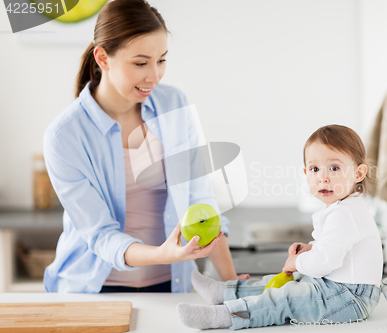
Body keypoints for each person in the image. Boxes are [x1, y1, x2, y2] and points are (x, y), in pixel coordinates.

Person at [43, 0, 247, 293]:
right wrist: (161, 254)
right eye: (140, 63)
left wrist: (230, 282)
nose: (154, 76)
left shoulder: (174, 104)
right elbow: (100, 234)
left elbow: (200, 200)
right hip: (95, 290)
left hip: (172, 283)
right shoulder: (64, 136)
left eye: (161, 60)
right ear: (102, 58)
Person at [177, 124, 384, 330]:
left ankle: (224, 316)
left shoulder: (344, 213)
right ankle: (223, 292)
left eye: (334, 168)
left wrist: (297, 261)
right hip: (338, 289)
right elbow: (333, 248)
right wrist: (310, 248)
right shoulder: (344, 207)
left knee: (285, 297)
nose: (323, 177)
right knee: (277, 283)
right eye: (314, 169)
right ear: (306, 173)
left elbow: (323, 262)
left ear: (358, 173)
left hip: (350, 298)